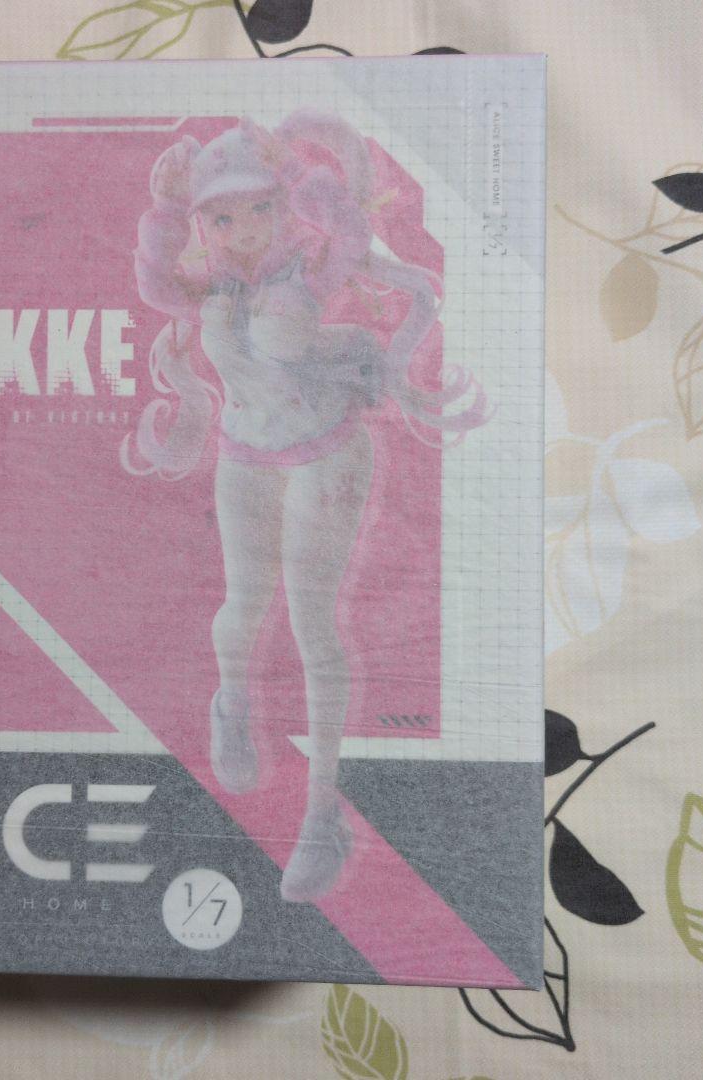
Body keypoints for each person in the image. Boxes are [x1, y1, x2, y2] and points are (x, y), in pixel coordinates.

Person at [123, 110, 488, 903]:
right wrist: (165, 210)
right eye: (224, 216)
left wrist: (294, 169)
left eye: (260, 206)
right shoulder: (208, 282)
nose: (245, 228)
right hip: (246, 450)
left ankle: (323, 816)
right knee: (243, 605)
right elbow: (155, 283)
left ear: (282, 203)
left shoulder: (313, 264)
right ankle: (233, 701)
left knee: (312, 618)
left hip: (327, 446)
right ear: (205, 221)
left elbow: (362, 240)